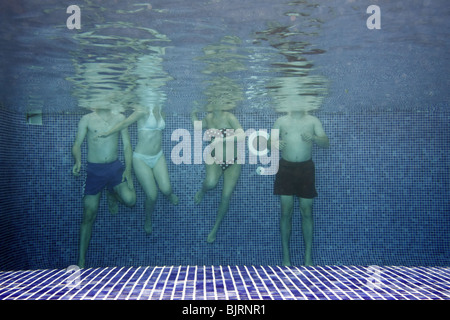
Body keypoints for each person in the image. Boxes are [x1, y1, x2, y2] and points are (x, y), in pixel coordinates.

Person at [98, 104, 178, 234]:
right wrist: (108, 133)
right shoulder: (143, 109)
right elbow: (125, 123)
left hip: (158, 155)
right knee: (152, 196)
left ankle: (169, 194)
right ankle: (148, 218)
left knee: (167, 189)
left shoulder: (161, 106)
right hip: (141, 159)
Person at [72, 107, 137, 268]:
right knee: (88, 214)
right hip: (95, 170)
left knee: (131, 200)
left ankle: (112, 194)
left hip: (114, 168)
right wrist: (78, 161)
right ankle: (81, 260)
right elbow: (77, 144)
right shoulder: (87, 119)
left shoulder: (120, 116)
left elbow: (127, 145)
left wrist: (128, 169)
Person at [269, 109, 329, 266]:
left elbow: (326, 143)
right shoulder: (281, 121)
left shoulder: (312, 120)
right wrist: (274, 143)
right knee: (285, 211)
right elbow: (269, 143)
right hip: (285, 168)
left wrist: (315, 138)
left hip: (306, 168)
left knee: (307, 211)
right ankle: (286, 258)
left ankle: (308, 258)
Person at [191, 105, 245, 243]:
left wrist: (222, 139)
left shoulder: (229, 117)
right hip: (214, 157)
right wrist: (193, 112)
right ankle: (203, 190)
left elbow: (242, 134)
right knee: (210, 183)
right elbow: (198, 126)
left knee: (226, 196)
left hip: (233, 161)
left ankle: (215, 228)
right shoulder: (208, 118)